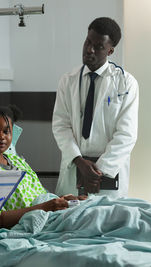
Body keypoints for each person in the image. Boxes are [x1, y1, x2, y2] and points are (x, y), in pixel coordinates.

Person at [52, 17, 139, 198]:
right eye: (88, 42)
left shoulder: (125, 83)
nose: (89, 50)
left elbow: (126, 134)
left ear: (110, 50)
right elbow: (61, 125)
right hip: (75, 166)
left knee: (107, 222)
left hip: (107, 174)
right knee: (68, 221)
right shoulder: (68, 81)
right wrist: (79, 161)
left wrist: (97, 171)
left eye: (98, 46)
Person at [0, 104, 85, 230]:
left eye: (6, 131)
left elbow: (40, 195)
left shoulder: (17, 161)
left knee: (95, 206)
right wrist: (46, 207)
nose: (1, 136)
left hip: (51, 212)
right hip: (37, 220)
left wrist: (65, 200)